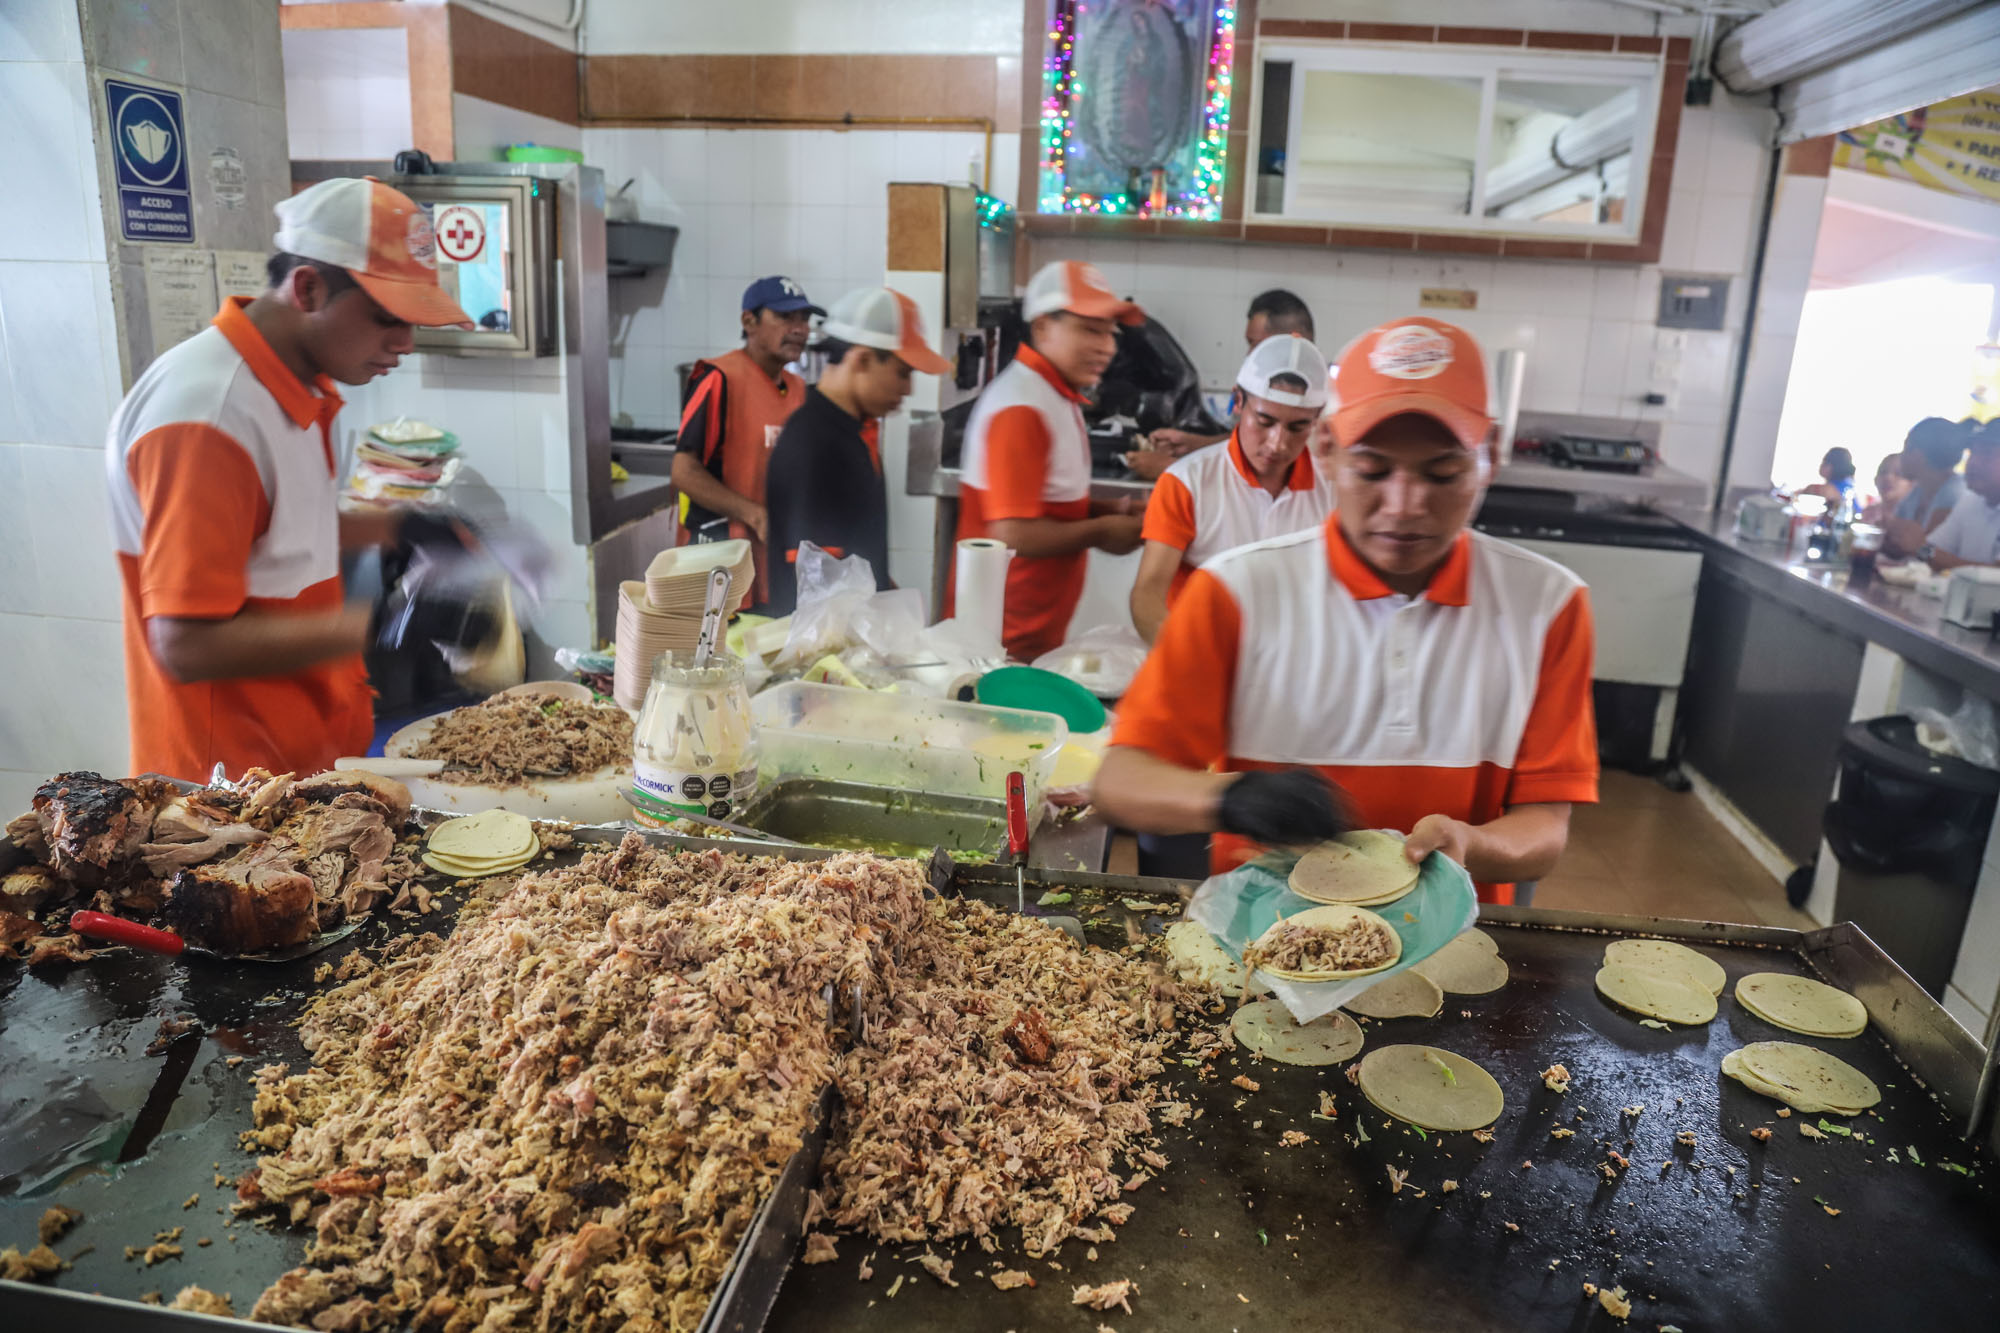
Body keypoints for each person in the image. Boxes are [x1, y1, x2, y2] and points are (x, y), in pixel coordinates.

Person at [1091, 317, 1599, 904]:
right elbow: (1120, 782)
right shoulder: (1236, 591)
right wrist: (1231, 798)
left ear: (1490, 455)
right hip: (1271, 947)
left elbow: (1544, 826)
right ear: (1328, 452)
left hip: (1454, 950)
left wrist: (1471, 844)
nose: (1406, 506)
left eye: (1442, 473)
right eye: (1374, 470)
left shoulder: (1548, 606)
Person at [105, 176, 492, 782]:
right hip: (229, 789)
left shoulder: (296, 387)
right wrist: (382, 625)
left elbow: (270, 530)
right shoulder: (208, 415)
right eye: (387, 318)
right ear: (308, 289)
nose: (406, 343)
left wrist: (398, 526)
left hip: (302, 760)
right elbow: (185, 646)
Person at [956, 261, 1147, 660]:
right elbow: (1011, 533)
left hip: (1030, 633)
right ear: (1043, 327)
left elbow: (1041, 502)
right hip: (1000, 641)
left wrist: (1104, 509)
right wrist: (1100, 530)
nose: (1107, 347)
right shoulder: (1022, 407)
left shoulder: (1052, 393)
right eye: (1090, 330)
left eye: (1110, 333)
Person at [1129, 334, 1335, 644]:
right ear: (1238, 402)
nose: (1278, 443)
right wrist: (1183, 656)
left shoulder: (1333, 491)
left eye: (1297, 427)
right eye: (1264, 421)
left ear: (1316, 420)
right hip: (1199, 647)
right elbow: (1148, 593)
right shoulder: (1186, 483)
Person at [763, 288, 950, 616]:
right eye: (902, 373)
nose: (908, 389)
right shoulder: (812, 442)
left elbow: (854, 552)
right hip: (819, 656)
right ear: (862, 359)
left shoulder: (852, 429)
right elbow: (817, 585)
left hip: (851, 642)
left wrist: (887, 594)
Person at [671, 275, 823, 607]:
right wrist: (755, 515)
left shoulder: (798, 390)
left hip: (776, 561)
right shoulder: (719, 378)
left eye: (804, 319)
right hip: (720, 557)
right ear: (748, 321)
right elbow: (684, 472)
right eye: (785, 317)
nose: (799, 328)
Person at [1127, 288, 1318, 477]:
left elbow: (1263, 477)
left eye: (1257, 345)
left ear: (1293, 344)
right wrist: (1193, 444)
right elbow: (1246, 442)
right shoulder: (1260, 389)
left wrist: (1173, 469)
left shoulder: (1316, 407)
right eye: (1264, 421)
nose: (1250, 355)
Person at [1912, 421, 2000, 570]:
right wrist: (1916, 548)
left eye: (1987, 453)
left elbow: (1996, 575)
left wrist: (1918, 547)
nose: (1973, 463)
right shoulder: (1971, 501)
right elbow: (1929, 550)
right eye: (1972, 452)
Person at [1880, 418, 1971, 557]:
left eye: (1906, 448)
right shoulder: (1918, 491)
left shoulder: (1955, 494)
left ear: (1918, 455)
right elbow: (1895, 541)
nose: (1902, 456)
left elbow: (1927, 551)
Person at [1797, 446, 1857, 514]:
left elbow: (1809, 490)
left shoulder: (1834, 488)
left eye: (1825, 462)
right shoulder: (1848, 483)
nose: (1821, 465)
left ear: (1834, 466)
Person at [1861, 451, 1910, 525]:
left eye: (1898, 473)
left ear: (1913, 484)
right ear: (1875, 480)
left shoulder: (1916, 519)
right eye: (1883, 472)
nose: (1888, 478)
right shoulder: (1869, 514)